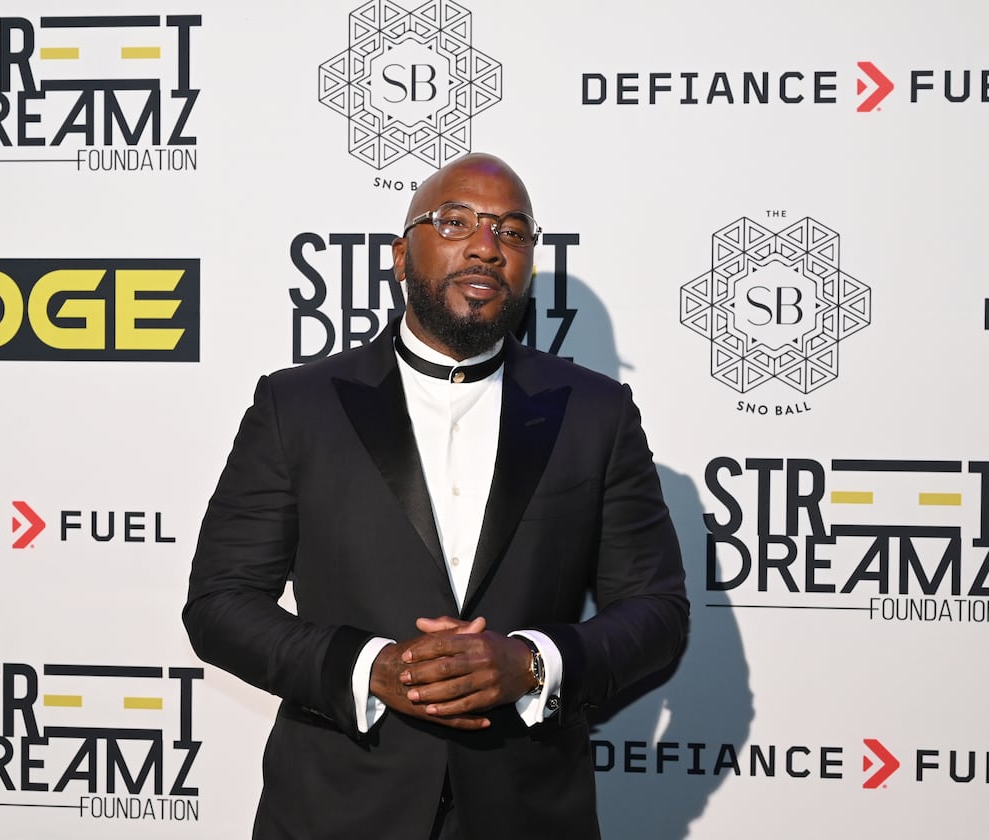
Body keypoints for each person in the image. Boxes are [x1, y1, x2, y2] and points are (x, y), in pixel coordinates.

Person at [183, 153, 689, 839]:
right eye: (456, 222)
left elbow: (656, 612)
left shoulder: (595, 413)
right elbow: (220, 603)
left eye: (512, 232)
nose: (486, 247)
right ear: (400, 253)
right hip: (335, 811)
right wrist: (369, 668)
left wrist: (534, 664)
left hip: (528, 815)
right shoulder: (296, 406)